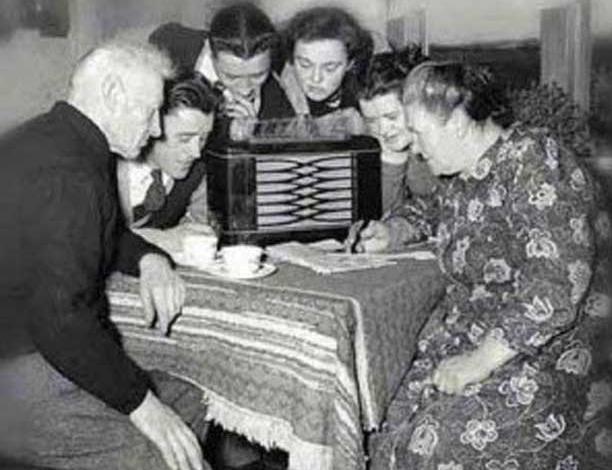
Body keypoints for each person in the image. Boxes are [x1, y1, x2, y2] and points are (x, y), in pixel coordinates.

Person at [356, 63, 612, 469]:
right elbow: (432, 209)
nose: (415, 149)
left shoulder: (537, 162)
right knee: (382, 427)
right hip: (475, 335)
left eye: (419, 133)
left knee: (433, 448)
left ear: (457, 123)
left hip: (551, 351)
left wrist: (479, 362)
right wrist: (394, 231)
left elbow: (556, 286)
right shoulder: (464, 170)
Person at [0, 42, 212, 470]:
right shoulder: (70, 174)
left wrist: (150, 259)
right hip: (20, 374)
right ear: (113, 94)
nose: (156, 128)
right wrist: (142, 406)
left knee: (191, 400)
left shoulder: (45, 139)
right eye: (150, 111)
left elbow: (101, 231)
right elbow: (60, 320)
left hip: (32, 354)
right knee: (171, 448)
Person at [149, 2, 294, 137]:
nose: (245, 90)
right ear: (209, 51)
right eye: (231, 77)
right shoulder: (170, 50)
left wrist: (246, 138)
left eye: (258, 75)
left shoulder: (275, 102)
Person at [117, 73, 219, 256]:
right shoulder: (102, 167)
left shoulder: (197, 173)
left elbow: (198, 228)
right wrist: (160, 239)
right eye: (184, 139)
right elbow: (88, 238)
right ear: (152, 126)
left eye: (203, 138)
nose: (196, 152)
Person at [357, 47, 439, 214]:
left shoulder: (443, 142)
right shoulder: (379, 144)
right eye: (371, 120)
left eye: (392, 116)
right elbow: (379, 215)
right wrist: (393, 160)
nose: (382, 130)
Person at [280, 7, 373, 133]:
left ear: (350, 64)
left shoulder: (365, 89)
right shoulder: (277, 95)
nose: (316, 78)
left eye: (330, 68)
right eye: (305, 65)